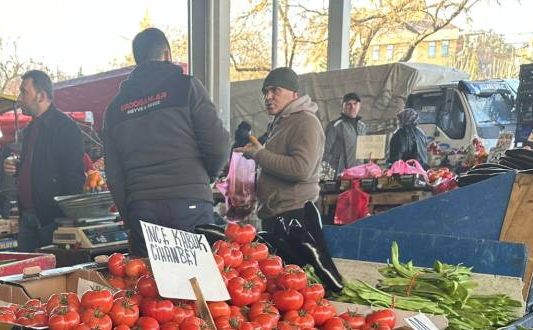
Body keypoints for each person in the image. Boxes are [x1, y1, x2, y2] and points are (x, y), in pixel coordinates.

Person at [103, 27, 231, 253]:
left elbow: (114, 176)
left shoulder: (115, 109)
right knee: (198, 283)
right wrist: (203, 179)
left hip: (142, 209)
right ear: (168, 55)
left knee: (150, 284)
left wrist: (131, 214)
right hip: (190, 203)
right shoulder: (186, 87)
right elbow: (219, 144)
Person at [239, 67, 324, 231]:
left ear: (294, 94)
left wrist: (259, 154)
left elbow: (301, 169)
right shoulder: (281, 123)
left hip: (295, 219)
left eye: (275, 90)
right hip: (277, 215)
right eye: (265, 91)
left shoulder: (305, 122)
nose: (268, 97)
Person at [10, 69, 85, 251]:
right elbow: (35, 168)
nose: (20, 98)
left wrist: (65, 223)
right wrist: (17, 168)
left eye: (24, 91)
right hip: (28, 218)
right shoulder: (28, 131)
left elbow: (74, 178)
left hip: (52, 222)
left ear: (41, 96)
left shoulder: (65, 128)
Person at [324, 92, 366, 176]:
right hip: (340, 175)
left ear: (359, 106)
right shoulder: (335, 126)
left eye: (355, 104)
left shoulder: (362, 126)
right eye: (348, 104)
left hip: (359, 174)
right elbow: (326, 152)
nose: (352, 107)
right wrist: (330, 175)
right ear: (343, 106)